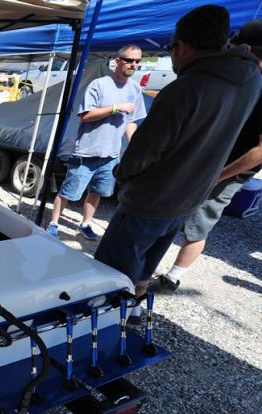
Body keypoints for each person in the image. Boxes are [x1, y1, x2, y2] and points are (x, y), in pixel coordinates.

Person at [93, 4, 262, 323]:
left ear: (182, 46)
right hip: (190, 196)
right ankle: (135, 313)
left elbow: (141, 154)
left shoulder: (183, 89)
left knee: (113, 270)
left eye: (171, 48)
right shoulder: (252, 81)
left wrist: (122, 176)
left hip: (151, 198)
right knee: (148, 261)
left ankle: (107, 325)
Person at [154, 19, 262, 292]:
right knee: (171, 214)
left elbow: (260, 151)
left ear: (247, 49)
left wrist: (218, 176)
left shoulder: (253, 82)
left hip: (226, 171)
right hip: (208, 162)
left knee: (197, 223)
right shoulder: (245, 81)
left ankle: (172, 277)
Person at [48, 45, 146, 240]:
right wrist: (115, 108)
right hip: (86, 152)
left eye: (137, 61)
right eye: (129, 60)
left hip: (111, 155)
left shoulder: (135, 89)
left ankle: (85, 224)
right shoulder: (99, 84)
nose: (133, 65)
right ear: (117, 61)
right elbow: (85, 115)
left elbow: (131, 122)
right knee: (69, 192)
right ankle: (53, 223)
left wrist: (135, 146)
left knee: (97, 192)